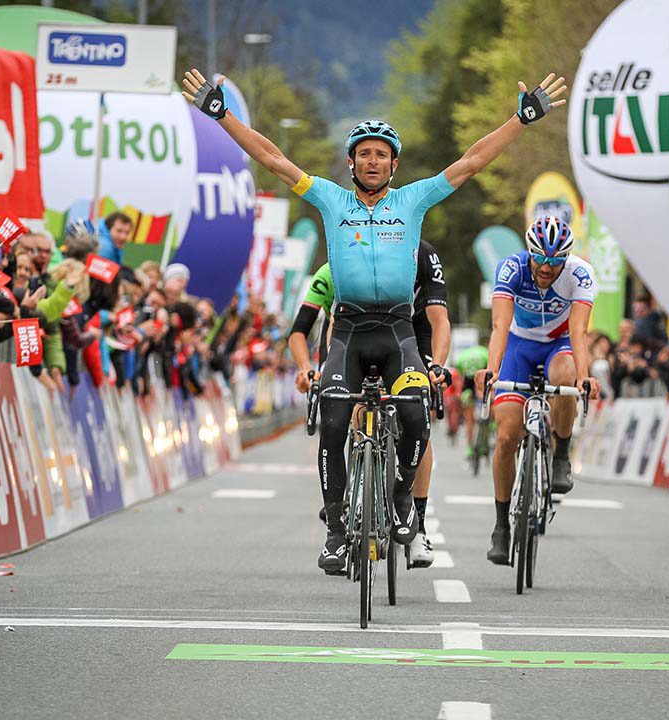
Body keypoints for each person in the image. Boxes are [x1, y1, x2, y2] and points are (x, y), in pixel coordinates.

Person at [183, 66, 568, 573]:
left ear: (393, 164)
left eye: (380, 154)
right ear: (350, 162)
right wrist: (222, 114)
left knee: (413, 415)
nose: (371, 160)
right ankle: (338, 532)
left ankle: (404, 500)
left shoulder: (413, 201)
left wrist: (522, 119)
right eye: (363, 153)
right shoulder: (328, 197)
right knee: (336, 420)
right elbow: (271, 157)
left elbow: (472, 161)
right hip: (346, 330)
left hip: (398, 331)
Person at [289, 239, 452, 568]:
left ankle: (415, 520)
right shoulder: (335, 267)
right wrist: (308, 369)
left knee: (416, 414)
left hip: (411, 331)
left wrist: (437, 364)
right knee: (346, 408)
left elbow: (439, 319)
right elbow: (301, 329)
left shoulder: (423, 254)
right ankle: (352, 490)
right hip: (348, 336)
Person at [476, 217, 598, 565]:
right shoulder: (511, 268)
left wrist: (584, 378)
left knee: (566, 374)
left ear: (566, 258)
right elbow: (500, 324)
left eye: (555, 261)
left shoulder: (579, 274)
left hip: (558, 344)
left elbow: (579, 331)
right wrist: (492, 369)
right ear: (529, 253)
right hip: (518, 346)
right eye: (540, 259)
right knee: (505, 438)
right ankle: (501, 526)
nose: (546, 268)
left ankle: (560, 455)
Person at [453, 342, 490, 459]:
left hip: (467, 384)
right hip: (482, 380)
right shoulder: (485, 353)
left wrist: (460, 394)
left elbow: (459, 379)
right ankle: (490, 426)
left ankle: (469, 449)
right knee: (489, 409)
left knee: (469, 420)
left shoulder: (462, 357)